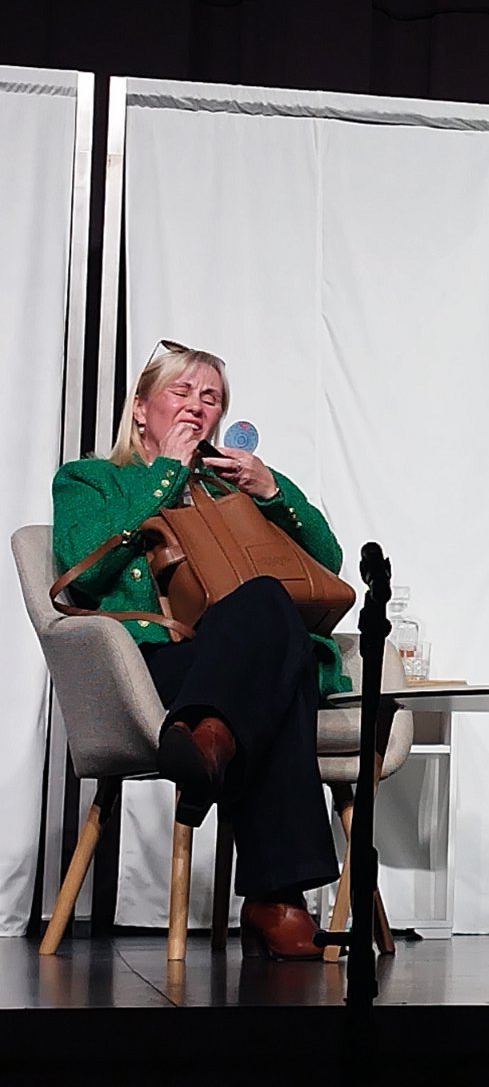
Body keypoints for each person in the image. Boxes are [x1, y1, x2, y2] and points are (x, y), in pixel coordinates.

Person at [52, 340, 349, 960]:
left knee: (270, 606)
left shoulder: (229, 487)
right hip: (150, 664)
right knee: (285, 672)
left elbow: (327, 563)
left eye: (210, 397)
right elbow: (84, 569)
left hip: (236, 662)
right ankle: (277, 898)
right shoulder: (90, 479)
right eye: (181, 391)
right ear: (141, 409)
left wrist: (273, 490)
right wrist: (165, 473)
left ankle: (208, 739)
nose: (196, 406)